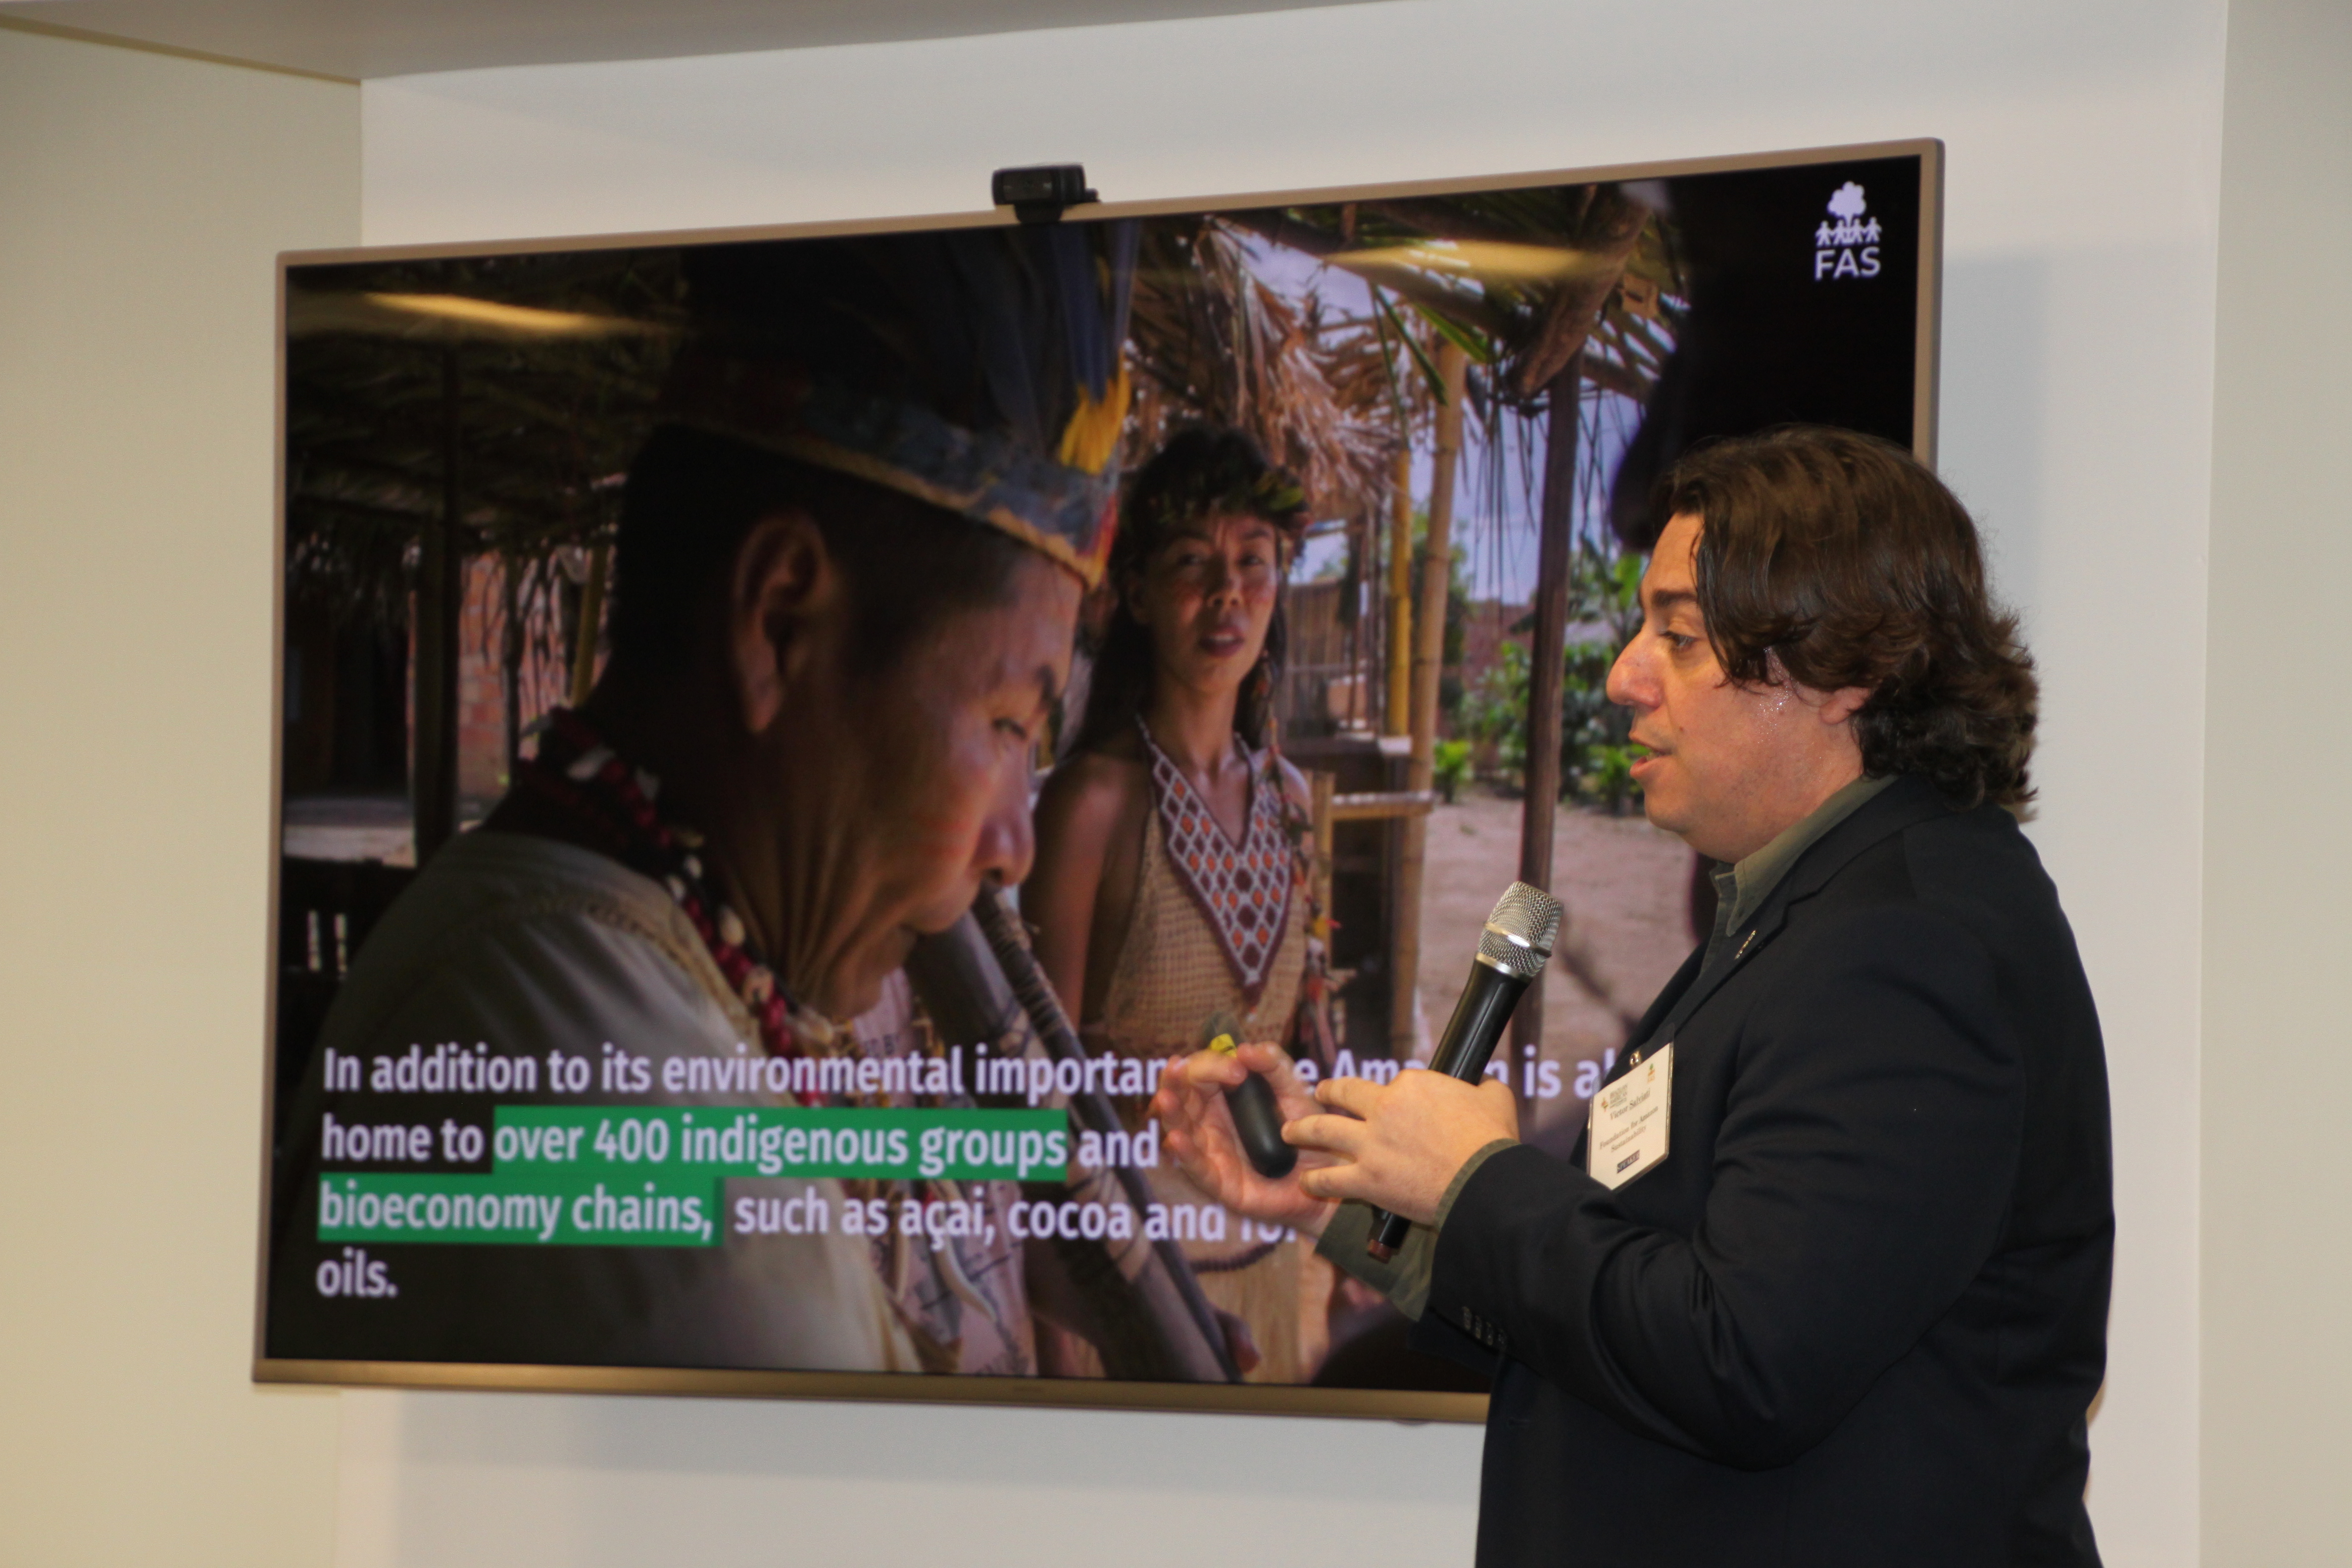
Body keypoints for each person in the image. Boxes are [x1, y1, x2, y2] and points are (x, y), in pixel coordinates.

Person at [1154, 425, 2112, 1564]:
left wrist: (1477, 1182)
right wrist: (1341, 1197)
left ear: (1844, 667)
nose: (1623, 676)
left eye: (1680, 636)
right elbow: (1631, 1304)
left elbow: (1744, 1361)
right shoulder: (1801, 915)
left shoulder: (1910, 943)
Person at [268, 223, 1139, 1372]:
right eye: (1010, 725)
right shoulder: (632, 1147)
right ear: (778, 622)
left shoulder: (585, 973)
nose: (1015, 845)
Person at [1025, 425, 1330, 1382]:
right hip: (1133, 1298)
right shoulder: (1093, 804)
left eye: (1253, 562)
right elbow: (1037, 1100)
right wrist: (1059, 1350)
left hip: (1272, 1273)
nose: (1227, 593)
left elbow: (1311, 1044)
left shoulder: (1291, 801)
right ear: (1138, 594)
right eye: (1193, 562)